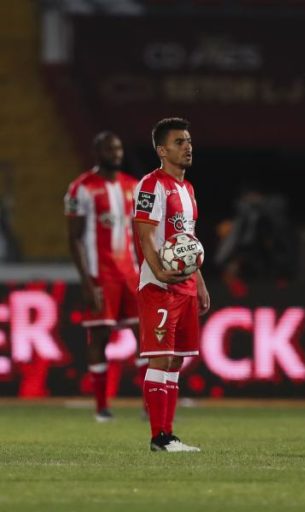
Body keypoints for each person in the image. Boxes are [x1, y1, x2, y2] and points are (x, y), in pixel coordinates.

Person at [133, 118, 210, 452]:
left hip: (186, 286)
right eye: (180, 142)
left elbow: (188, 243)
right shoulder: (152, 185)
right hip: (159, 285)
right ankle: (158, 437)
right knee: (160, 358)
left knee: (176, 360)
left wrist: (201, 284)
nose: (188, 146)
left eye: (189, 140)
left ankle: (169, 434)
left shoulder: (188, 189)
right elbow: (144, 232)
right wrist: (159, 273)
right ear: (162, 150)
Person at [64, 131, 148, 422]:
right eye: (110, 149)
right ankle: (101, 407)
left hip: (131, 274)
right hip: (101, 276)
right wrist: (87, 282)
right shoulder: (81, 189)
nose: (117, 153)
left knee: (145, 338)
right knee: (99, 337)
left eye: (119, 148)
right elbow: (74, 238)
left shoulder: (133, 186)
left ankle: (149, 406)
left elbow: (142, 234)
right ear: (97, 152)